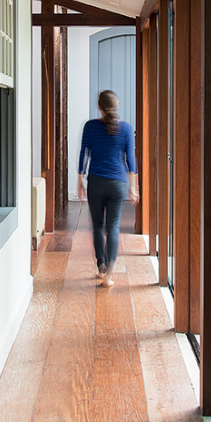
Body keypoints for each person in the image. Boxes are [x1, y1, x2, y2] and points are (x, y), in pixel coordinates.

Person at [77, 90, 139, 287]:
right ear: (117, 106)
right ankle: (109, 275)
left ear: (99, 106)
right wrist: (134, 187)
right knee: (113, 226)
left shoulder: (90, 126)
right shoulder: (127, 129)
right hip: (118, 183)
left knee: (97, 225)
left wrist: (80, 181)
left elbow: (83, 154)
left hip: (96, 182)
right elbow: (131, 160)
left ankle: (101, 265)